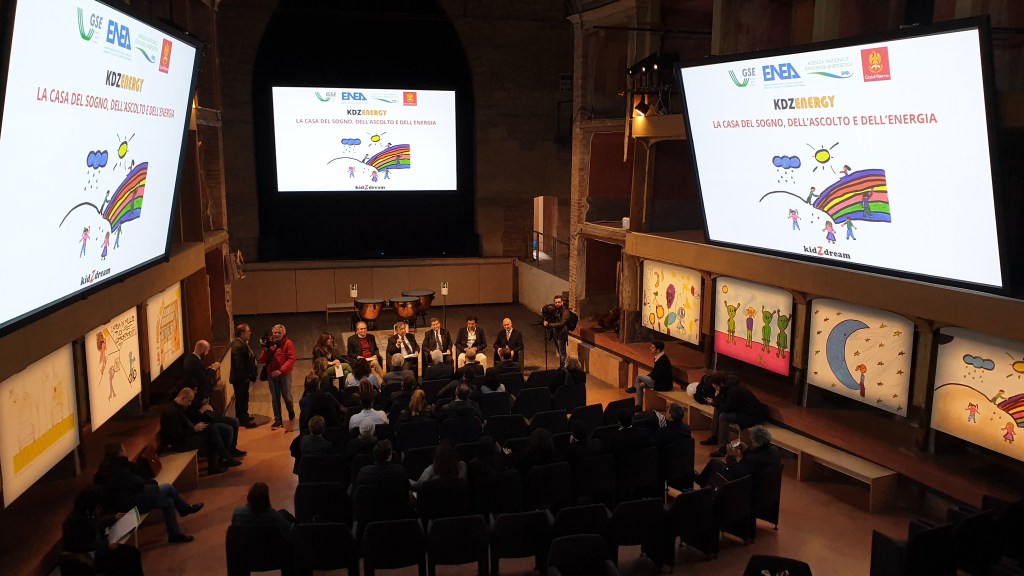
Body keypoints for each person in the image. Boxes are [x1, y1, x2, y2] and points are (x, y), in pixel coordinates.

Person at [94, 442, 203, 544]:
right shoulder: (120, 470)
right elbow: (137, 484)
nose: (125, 450)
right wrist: (151, 482)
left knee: (168, 501)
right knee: (167, 488)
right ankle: (184, 509)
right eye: (123, 449)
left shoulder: (107, 468)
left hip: (123, 501)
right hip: (129, 504)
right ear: (119, 452)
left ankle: (175, 534)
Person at [62, 487, 144, 575]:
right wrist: (105, 546)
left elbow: (98, 522)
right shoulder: (73, 523)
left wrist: (114, 518)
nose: (98, 508)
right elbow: (78, 546)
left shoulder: (88, 512)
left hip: (101, 547)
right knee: (127, 559)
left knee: (134, 553)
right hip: (90, 557)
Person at [160, 387, 240, 474]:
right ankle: (220, 460)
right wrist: (194, 429)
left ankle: (222, 459)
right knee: (211, 438)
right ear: (183, 398)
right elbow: (175, 435)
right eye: (189, 401)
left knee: (211, 428)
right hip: (181, 443)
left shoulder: (177, 407)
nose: (190, 404)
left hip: (187, 435)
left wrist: (195, 428)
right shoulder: (171, 412)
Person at [700, 374, 768, 457]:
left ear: (721, 384)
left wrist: (716, 397)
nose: (716, 389)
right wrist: (714, 402)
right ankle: (714, 437)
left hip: (750, 415)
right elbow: (725, 405)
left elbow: (727, 408)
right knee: (717, 409)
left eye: (716, 387)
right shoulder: (727, 387)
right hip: (740, 411)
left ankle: (723, 448)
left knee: (723, 417)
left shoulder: (733, 391)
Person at [696, 425, 781, 486]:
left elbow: (735, 474)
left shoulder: (752, 460)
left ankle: (702, 485)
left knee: (714, 464)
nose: (749, 441)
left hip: (744, 486)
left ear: (755, 442)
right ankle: (701, 482)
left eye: (750, 439)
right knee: (715, 463)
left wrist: (730, 456)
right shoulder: (774, 450)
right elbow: (754, 461)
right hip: (763, 486)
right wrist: (746, 451)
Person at [259, 324, 296, 430]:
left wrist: (280, 370)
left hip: (284, 375)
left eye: (279, 332)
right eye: (275, 332)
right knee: (275, 399)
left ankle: (291, 411)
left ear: (284, 333)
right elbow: (262, 360)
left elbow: (291, 359)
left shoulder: (288, 343)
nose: (276, 334)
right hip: (272, 375)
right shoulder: (269, 343)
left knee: (287, 397)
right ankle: (278, 420)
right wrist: (265, 350)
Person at [625, 341, 673, 410]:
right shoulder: (659, 357)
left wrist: (645, 383)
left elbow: (659, 375)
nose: (650, 348)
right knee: (638, 385)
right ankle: (639, 404)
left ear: (658, 350)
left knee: (639, 376)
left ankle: (636, 395)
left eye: (653, 347)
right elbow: (654, 372)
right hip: (657, 381)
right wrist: (645, 381)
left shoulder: (663, 360)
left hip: (662, 384)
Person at [229, 324, 258, 427]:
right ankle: (243, 420)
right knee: (242, 399)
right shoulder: (238, 345)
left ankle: (244, 416)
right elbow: (238, 365)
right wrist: (246, 376)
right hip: (240, 378)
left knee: (244, 398)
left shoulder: (241, 343)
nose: (250, 333)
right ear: (242, 333)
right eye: (248, 331)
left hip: (242, 377)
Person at [543, 295, 570, 368]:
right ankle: (562, 366)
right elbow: (548, 313)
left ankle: (563, 368)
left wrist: (549, 324)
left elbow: (562, 323)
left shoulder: (566, 312)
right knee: (559, 351)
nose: (557, 304)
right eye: (556, 302)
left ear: (562, 302)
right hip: (555, 333)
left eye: (559, 302)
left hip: (562, 333)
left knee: (562, 352)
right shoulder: (555, 309)